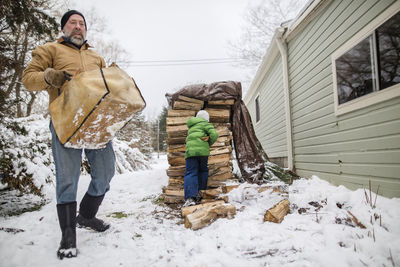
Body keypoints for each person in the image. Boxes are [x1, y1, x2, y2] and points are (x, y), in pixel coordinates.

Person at [22, 10, 115, 259]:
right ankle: (68, 235)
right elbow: (28, 79)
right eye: (72, 23)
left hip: (95, 123)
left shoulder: (95, 56)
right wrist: (48, 76)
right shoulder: (50, 50)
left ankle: (85, 216)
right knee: (67, 178)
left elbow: (108, 85)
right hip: (66, 121)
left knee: (106, 171)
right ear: (63, 28)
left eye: (82, 24)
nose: (78, 27)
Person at [183, 110, 219, 207]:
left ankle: (190, 198)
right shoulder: (205, 124)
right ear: (206, 118)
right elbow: (214, 135)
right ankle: (201, 193)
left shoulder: (191, 126)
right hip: (203, 153)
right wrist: (208, 143)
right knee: (203, 171)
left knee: (191, 173)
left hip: (190, 153)